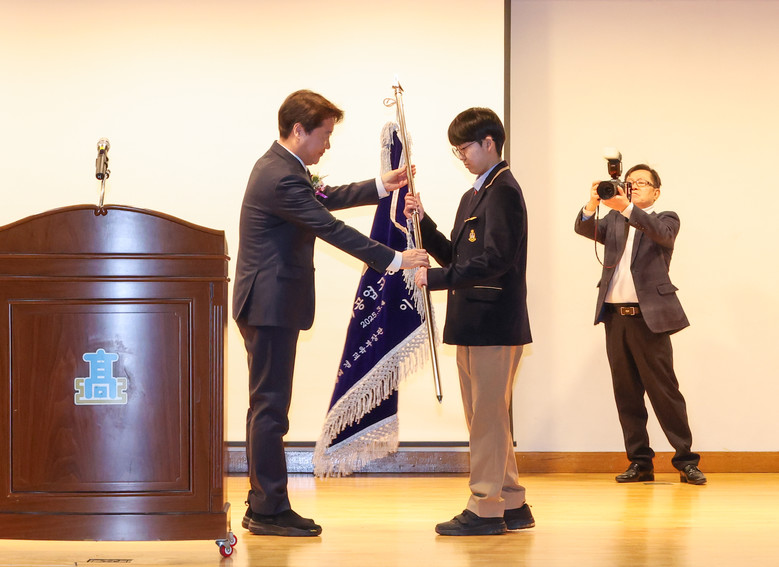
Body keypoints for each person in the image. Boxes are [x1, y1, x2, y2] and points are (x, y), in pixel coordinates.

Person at [233, 89, 429, 537]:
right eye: (324, 135)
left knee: (265, 407)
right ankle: (268, 510)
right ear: (298, 130)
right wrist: (396, 259)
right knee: (270, 409)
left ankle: (262, 502)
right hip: (269, 306)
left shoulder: (284, 168)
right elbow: (329, 226)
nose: (327, 144)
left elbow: (323, 196)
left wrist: (381, 185)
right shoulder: (281, 177)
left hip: (268, 304)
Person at [404, 107, 534, 536]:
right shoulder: (475, 194)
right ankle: (512, 502)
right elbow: (456, 256)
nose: (461, 156)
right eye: (456, 150)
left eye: (464, 148)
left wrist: (435, 280)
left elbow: (496, 260)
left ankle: (485, 507)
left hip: (494, 322)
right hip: (473, 323)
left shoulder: (504, 191)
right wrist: (423, 222)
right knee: (487, 416)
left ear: (489, 143)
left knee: (487, 419)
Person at [574, 164, 706, 485]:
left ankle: (686, 461)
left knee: (665, 392)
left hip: (650, 319)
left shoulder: (666, 219)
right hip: (614, 317)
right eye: (629, 182)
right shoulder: (614, 221)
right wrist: (592, 203)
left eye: (641, 183)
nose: (633, 186)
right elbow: (584, 228)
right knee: (627, 393)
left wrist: (627, 208)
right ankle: (640, 462)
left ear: (656, 192)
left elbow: (663, 235)